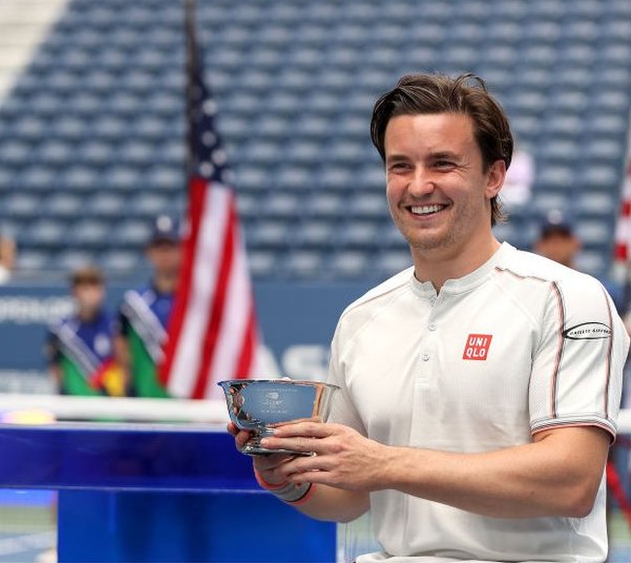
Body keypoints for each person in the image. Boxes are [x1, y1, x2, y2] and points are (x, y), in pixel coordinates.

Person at [230, 73, 629, 561]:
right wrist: (289, 477)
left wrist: (385, 464)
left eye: (443, 164)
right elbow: (352, 494)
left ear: (494, 176)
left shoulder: (566, 297)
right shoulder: (361, 319)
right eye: (401, 166)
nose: (419, 186)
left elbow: (570, 481)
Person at [114, 214, 182, 398]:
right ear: (150, 252)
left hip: (187, 407)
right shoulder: (133, 305)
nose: (165, 254)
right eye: (160, 247)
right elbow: (122, 349)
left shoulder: (195, 304)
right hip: (146, 406)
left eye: (171, 247)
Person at [45, 265, 123, 397]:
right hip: (73, 406)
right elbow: (56, 369)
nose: (90, 294)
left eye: (95, 287)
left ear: (103, 291)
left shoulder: (115, 326)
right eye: (85, 287)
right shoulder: (60, 330)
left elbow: (123, 364)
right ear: (74, 291)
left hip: (108, 406)